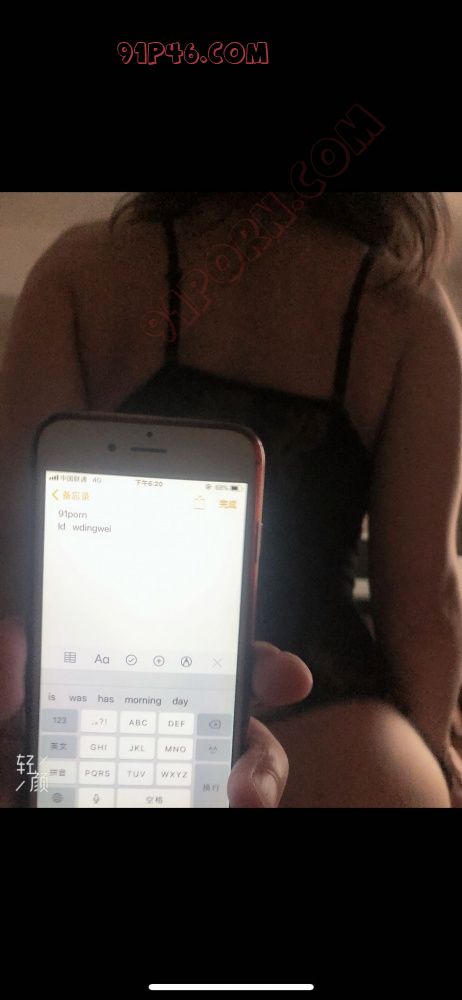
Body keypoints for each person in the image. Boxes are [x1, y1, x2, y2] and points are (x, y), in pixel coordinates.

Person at [0, 191, 461, 807]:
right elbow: (426, 605)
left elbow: (21, 555)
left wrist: (32, 761)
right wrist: (438, 751)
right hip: (349, 742)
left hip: (122, 725)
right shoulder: (408, 309)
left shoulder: (82, 270)